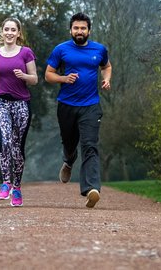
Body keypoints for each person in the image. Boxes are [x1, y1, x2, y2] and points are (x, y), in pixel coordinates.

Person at [44, 12, 112, 208]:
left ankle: (92, 190)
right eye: (76, 28)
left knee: (90, 145)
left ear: (89, 30)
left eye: (83, 28)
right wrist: (64, 79)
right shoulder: (61, 50)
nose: (79, 31)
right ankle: (68, 160)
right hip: (66, 105)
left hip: (90, 105)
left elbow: (106, 66)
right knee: (69, 142)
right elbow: (49, 74)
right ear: (71, 30)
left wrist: (106, 79)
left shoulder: (99, 49)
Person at [0, 18, 38, 207]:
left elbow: (35, 79)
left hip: (21, 104)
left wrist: (24, 76)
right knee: (4, 139)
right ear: (2, 31)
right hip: (0, 103)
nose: (10, 33)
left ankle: (17, 187)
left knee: (17, 146)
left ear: (19, 33)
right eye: (7, 29)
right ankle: (5, 183)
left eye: (13, 30)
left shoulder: (26, 52)